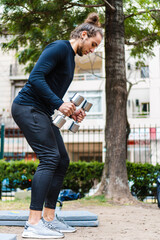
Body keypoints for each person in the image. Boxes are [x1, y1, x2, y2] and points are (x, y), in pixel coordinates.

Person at [11, 12, 103, 239]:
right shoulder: (59, 48)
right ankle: (33, 223)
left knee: (62, 159)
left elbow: (52, 91)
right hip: (27, 107)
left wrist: (72, 109)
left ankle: (49, 218)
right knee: (50, 158)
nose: (93, 50)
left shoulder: (69, 58)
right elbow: (35, 78)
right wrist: (59, 103)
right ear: (83, 35)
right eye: (93, 44)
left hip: (41, 110)